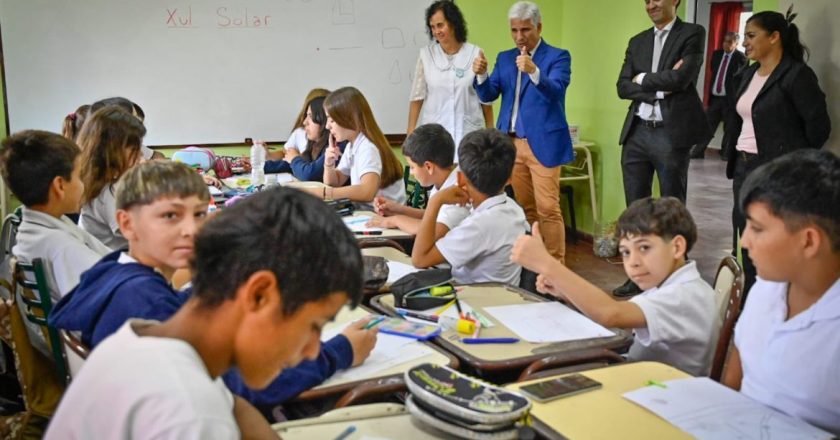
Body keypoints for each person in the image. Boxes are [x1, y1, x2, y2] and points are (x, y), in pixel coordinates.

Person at [50, 161, 376, 410]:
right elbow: (245, 387)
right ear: (126, 223)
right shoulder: (146, 303)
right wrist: (341, 350)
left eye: (199, 214)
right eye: (170, 217)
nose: (192, 230)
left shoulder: (113, 272)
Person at [512, 197, 720, 376]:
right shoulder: (673, 284)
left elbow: (610, 313)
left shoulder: (683, 296)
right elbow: (616, 312)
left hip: (659, 396)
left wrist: (546, 264)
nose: (633, 262)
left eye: (644, 248)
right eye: (626, 252)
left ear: (677, 247)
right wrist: (566, 292)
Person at [722, 150, 840, 435]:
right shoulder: (767, 286)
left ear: (808, 241)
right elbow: (734, 379)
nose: (745, 241)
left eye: (757, 229)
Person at [722, 9, 830, 295]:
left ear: (774, 37)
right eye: (744, 36)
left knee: (774, 237)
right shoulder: (746, 74)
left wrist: (792, 162)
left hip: (776, 172)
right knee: (746, 234)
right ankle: (751, 298)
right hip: (744, 168)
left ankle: (775, 300)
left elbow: (819, 127)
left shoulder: (796, 75)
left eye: (751, 35)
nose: (745, 42)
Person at [614, 0, 708, 297]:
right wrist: (660, 85)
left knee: (671, 207)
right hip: (637, 134)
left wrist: (641, 79)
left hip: (671, 133)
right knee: (635, 210)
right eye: (646, 0)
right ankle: (637, 274)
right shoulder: (638, 41)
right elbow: (621, 87)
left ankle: (674, 280)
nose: (651, 4)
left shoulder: (692, 33)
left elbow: (682, 78)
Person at [472, 1, 572, 265]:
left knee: (548, 208)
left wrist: (534, 71)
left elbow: (557, 91)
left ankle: (556, 269)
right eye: (514, 30)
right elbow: (489, 94)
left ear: (539, 27)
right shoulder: (505, 58)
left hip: (544, 144)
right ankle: (535, 265)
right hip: (511, 145)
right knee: (525, 208)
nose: (519, 36)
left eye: (525, 30)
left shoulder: (558, 56)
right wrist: (481, 75)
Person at [1, 130, 110, 358]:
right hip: (91, 355)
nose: (84, 183)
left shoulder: (34, 227)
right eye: (80, 176)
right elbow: (105, 308)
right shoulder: (60, 247)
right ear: (60, 185)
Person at [412, 128, 527, 286]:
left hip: (473, 302)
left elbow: (420, 259)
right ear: (509, 179)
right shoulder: (514, 210)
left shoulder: (479, 226)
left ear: (460, 178)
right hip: (503, 299)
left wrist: (435, 202)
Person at [408, 0, 493, 158]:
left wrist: (490, 134)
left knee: (467, 179)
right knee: (439, 179)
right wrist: (410, 135)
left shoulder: (475, 53)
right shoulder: (426, 55)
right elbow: (416, 97)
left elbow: (486, 100)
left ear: (453, 24)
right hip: (436, 137)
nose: (436, 31)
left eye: (440, 25)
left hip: (468, 134)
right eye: (432, 27)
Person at [367, 123, 469, 236]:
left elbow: (435, 230)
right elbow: (434, 215)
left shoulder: (460, 188)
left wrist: (394, 220)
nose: (410, 173)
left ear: (429, 167)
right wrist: (398, 209)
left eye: (412, 167)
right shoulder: (443, 179)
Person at [312, 87, 406, 204]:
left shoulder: (368, 148)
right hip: (369, 213)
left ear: (350, 118)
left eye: (332, 120)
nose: (327, 126)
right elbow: (334, 182)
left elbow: (367, 192)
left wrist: (323, 193)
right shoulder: (352, 145)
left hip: (386, 217)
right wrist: (328, 163)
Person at [77, 106, 146, 250]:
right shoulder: (109, 191)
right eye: (135, 150)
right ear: (113, 151)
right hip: (115, 264)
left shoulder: (100, 181)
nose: (141, 157)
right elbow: (142, 235)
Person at [689, 32, 747, 159]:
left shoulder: (741, 58)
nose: (726, 44)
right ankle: (698, 151)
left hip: (730, 100)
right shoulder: (716, 55)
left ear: (736, 44)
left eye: (730, 42)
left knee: (730, 128)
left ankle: (726, 154)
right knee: (707, 126)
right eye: (724, 41)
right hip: (715, 98)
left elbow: (741, 80)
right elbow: (714, 72)